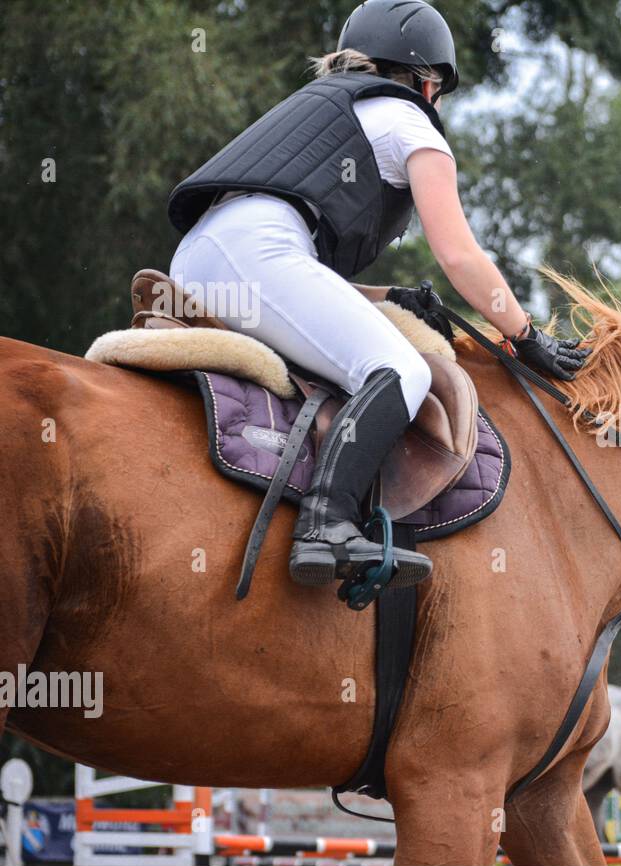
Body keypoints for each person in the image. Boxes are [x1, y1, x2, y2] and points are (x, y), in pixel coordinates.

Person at [166, 0, 589, 592]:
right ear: (427, 80)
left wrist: (390, 295)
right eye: (436, 88)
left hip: (202, 259)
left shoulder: (327, 107)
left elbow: (296, 265)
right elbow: (460, 254)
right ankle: (325, 523)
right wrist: (525, 334)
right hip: (256, 256)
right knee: (401, 370)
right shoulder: (410, 119)